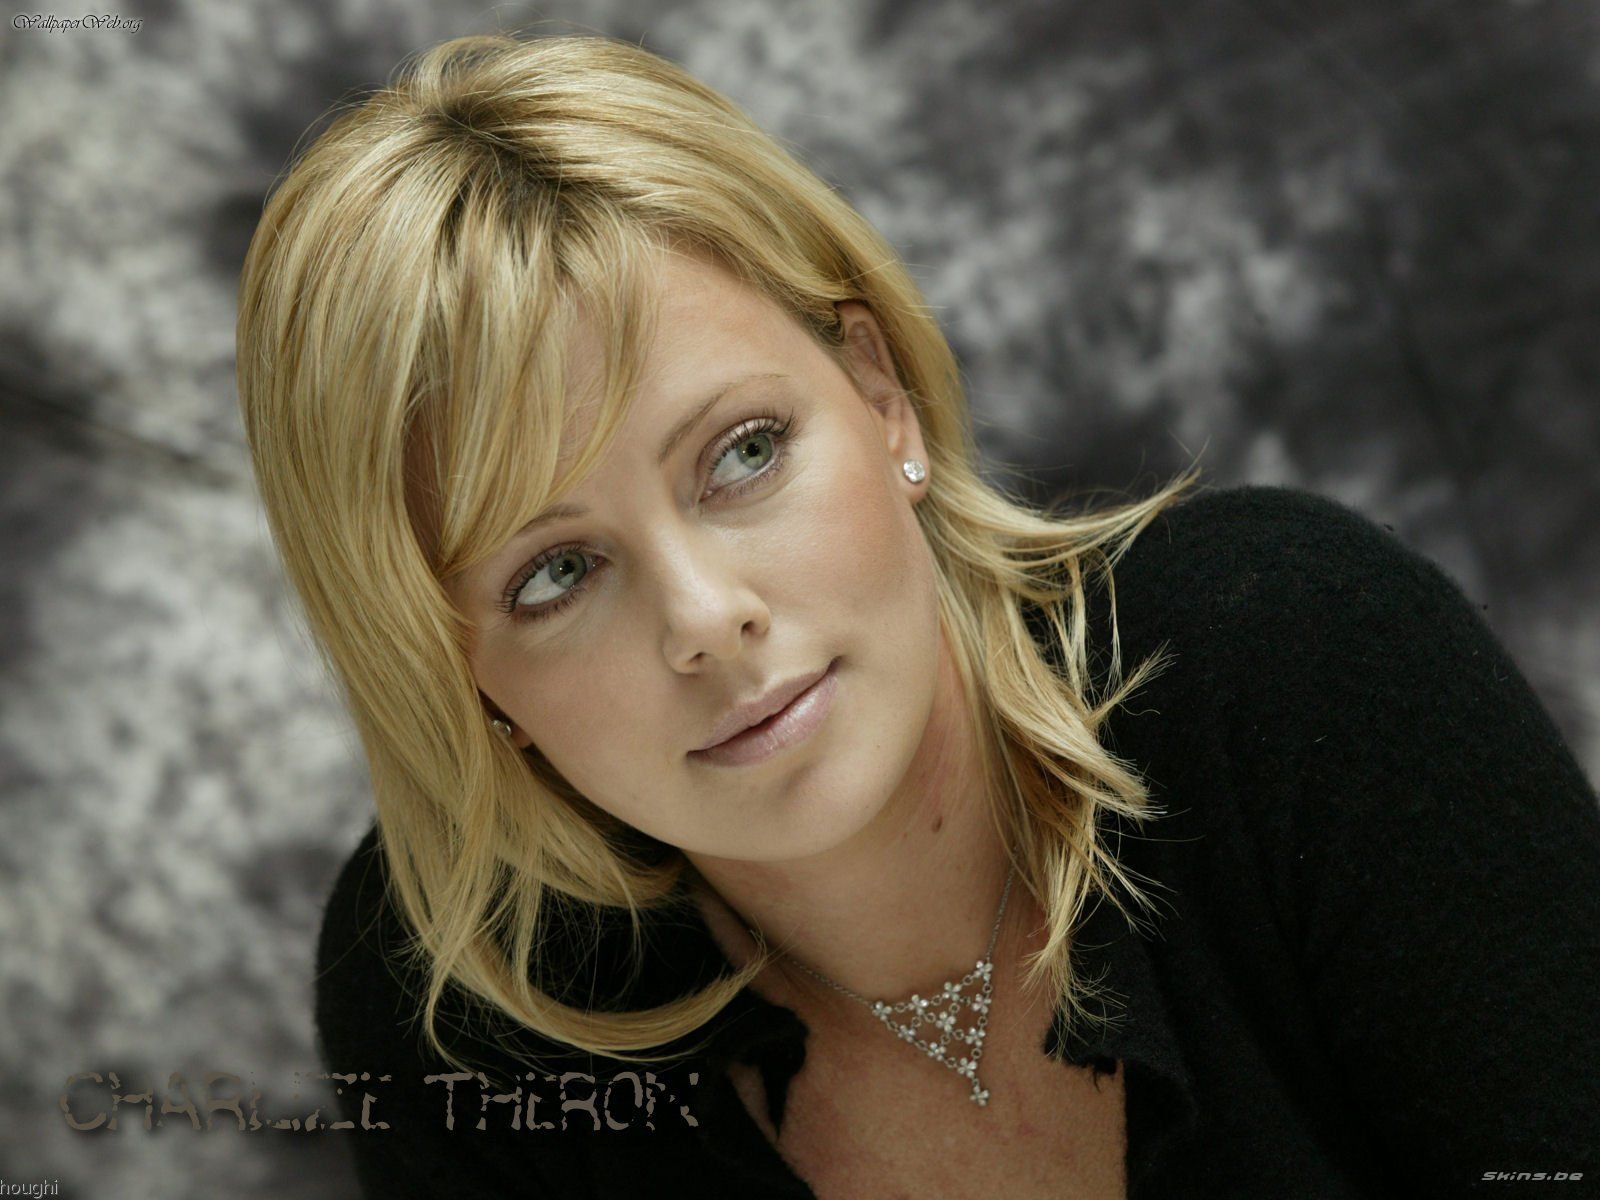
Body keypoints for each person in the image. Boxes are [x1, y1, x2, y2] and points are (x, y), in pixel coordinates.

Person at [235, 30, 1600, 1199]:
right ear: (451, 666)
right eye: (555, 573)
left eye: (743, 453)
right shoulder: (459, 1012)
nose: (705, 618)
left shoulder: (1298, 663)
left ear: (880, 398)